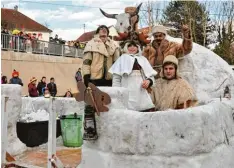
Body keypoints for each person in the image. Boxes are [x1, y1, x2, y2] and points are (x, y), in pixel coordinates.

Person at [82, 25, 120, 141]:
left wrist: (117, 77)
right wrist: (86, 77)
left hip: (109, 79)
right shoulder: (91, 44)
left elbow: (117, 62)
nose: (103, 33)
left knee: (110, 104)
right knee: (90, 104)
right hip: (94, 78)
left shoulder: (113, 45)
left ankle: (111, 130)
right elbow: (86, 62)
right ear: (97, 33)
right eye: (101, 32)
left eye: (105, 32)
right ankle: (90, 129)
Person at [109, 41, 157, 111]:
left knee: (143, 114)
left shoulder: (143, 59)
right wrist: (116, 93)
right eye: (129, 46)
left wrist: (149, 81)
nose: (132, 47)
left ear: (138, 48)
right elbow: (116, 78)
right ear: (126, 47)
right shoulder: (122, 58)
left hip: (141, 92)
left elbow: (151, 76)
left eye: (134, 46)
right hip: (126, 92)